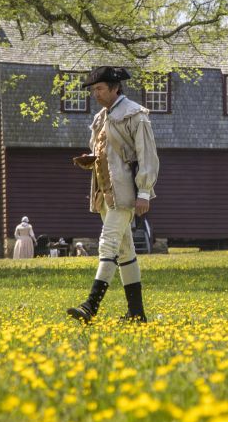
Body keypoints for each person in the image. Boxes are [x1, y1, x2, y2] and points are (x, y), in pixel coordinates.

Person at [67, 66, 160, 323]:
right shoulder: (100, 117)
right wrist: (91, 159)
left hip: (125, 191)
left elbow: (147, 157)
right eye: (93, 90)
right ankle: (137, 313)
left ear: (115, 88)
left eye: (99, 89)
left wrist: (143, 192)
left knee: (107, 243)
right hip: (104, 192)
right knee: (125, 250)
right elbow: (107, 152)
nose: (95, 94)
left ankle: (90, 306)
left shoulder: (135, 115)